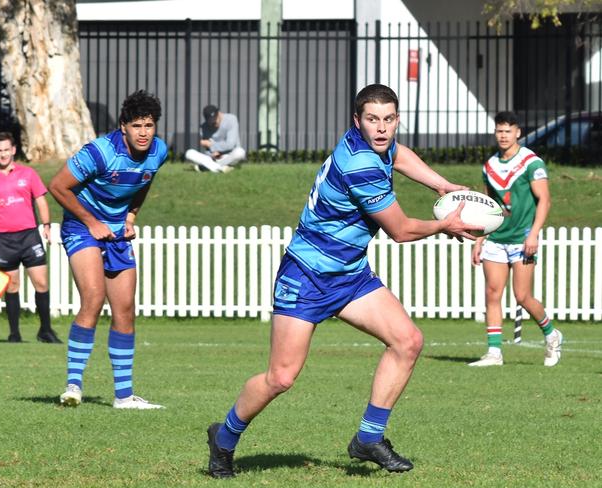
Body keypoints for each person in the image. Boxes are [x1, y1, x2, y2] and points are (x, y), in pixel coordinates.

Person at [206, 84, 482, 478]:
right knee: (281, 377)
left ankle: (368, 438)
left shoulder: (377, 144)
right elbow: (401, 230)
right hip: (306, 276)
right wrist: (445, 224)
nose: (382, 128)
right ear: (357, 122)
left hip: (350, 276)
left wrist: (440, 184)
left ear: (396, 119)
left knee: (408, 341)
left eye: (388, 119)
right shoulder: (359, 165)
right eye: (372, 119)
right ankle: (224, 438)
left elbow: (399, 154)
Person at [49, 90, 168, 409]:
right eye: (137, 126)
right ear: (123, 127)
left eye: (150, 125)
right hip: (80, 225)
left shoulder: (159, 152)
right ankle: (73, 386)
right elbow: (57, 186)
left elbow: (145, 181)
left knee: (125, 308)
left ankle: (124, 397)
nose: (144, 132)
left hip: (116, 230)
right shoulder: (99, 152)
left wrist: (130, 216)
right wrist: (91, 222)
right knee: (93, 297)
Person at [469, 111, 562, 367]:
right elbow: (488, 206)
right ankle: (494, 353)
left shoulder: (532, 163)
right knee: (492, 293)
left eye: (508, 131)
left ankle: (552, 334)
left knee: (522, 296)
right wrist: (479, 239)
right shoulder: (489, 166)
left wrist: (534, 233)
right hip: (496, 239)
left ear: (518, 133)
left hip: (522, 239)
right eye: (499, 131)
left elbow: (545, 199)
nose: (503, 135)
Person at [0, 132, 62, 344]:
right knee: (12, 286)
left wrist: (46, 225)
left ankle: (45, 330)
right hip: (5, 240)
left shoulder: (29, 174)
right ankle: (14, 333)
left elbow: (41, 200)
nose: (3, 154)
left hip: (29, 236)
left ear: (13, 150)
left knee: (41, 283)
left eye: (7, 150)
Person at [185, 105, 246, 173]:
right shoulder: (203, 127)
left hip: (229, 156)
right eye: (210, 121)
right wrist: (212, 154)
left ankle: (209, 167)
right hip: (214, 159)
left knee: (240, 152)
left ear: (219, 113)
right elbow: (208, 152)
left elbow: (230, 144)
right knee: (189, 153)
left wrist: (211, 145)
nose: (214, 123)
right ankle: (221, 168)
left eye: (215, 119)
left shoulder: (231, 119)